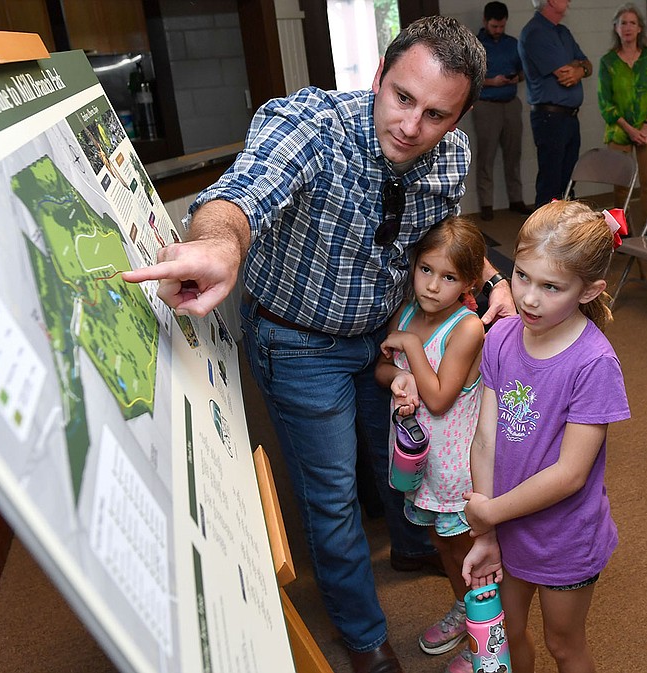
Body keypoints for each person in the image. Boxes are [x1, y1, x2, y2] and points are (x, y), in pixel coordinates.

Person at [123, 16, 516, 673]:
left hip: (386, 333)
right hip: (300, 344)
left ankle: (412, 546)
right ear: (379, 78)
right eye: (401, 97)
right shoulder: (311, 124)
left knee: (399, 453)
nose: (412, 125)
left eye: (437, 113)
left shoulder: (452, 155)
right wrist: (221, 242)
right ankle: (364, 639)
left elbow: (445, 229)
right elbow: (239, 197)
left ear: (461, 117)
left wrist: (493, 276)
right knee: (333, 497)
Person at [462, 200, 630, 673]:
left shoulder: (594, 363)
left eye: (551, 286)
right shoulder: (498, 338)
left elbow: (571, 474)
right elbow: (486, 435)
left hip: (564, 540)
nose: (530, 298)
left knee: (564, 645)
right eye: (522, 277)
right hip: (506, 527)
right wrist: (489, 529)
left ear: (589, 290)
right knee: (508, 635)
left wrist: (488, 511)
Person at [375, 217, 485, 673]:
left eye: (449, 277)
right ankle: (465, 611)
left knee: (469, 553)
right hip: (423, 465)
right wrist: (399, 374)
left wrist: (410, 350)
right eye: (426, 270)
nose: (433, 286)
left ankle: (484, 638)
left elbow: (439, 398)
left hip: (456, 468)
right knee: (442, 544)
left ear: (470, 283)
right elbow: (384, 371)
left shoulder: (467, 328)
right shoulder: (406, 313)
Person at [519, 0, 593, 208]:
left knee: (568, 182)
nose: (569, 0)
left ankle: (566, 234)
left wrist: (580, 69)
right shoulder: (535, 32)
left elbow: (587, 64)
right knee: (551, 183)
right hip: (550, 118)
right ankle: (543, 236)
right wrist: (578, 67)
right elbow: (564, 74)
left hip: (569, 117)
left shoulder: (563, 32)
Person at [598, 3, 647, 222]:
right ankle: (621, 228)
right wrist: (629, 129)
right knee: (621, 184)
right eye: (623, 23)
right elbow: (605, 103)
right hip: (619, 131)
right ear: (616, 28)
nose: (627, 27)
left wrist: (644, 126)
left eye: (632, 23)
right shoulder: (608, 62)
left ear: (639, 29)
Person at [474, 2, 532, 222]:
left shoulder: (513, 44)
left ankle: (516, 199)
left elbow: (524, 70)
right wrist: (491, 81)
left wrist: (517, 78)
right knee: (486, 156)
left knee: (513, 153)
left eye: (501, 26)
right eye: (494, 26)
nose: (498, 30)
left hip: (510, 103)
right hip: (486, 105)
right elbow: (469, 79)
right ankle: (486, 203)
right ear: (485, 22)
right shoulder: (476, 45)